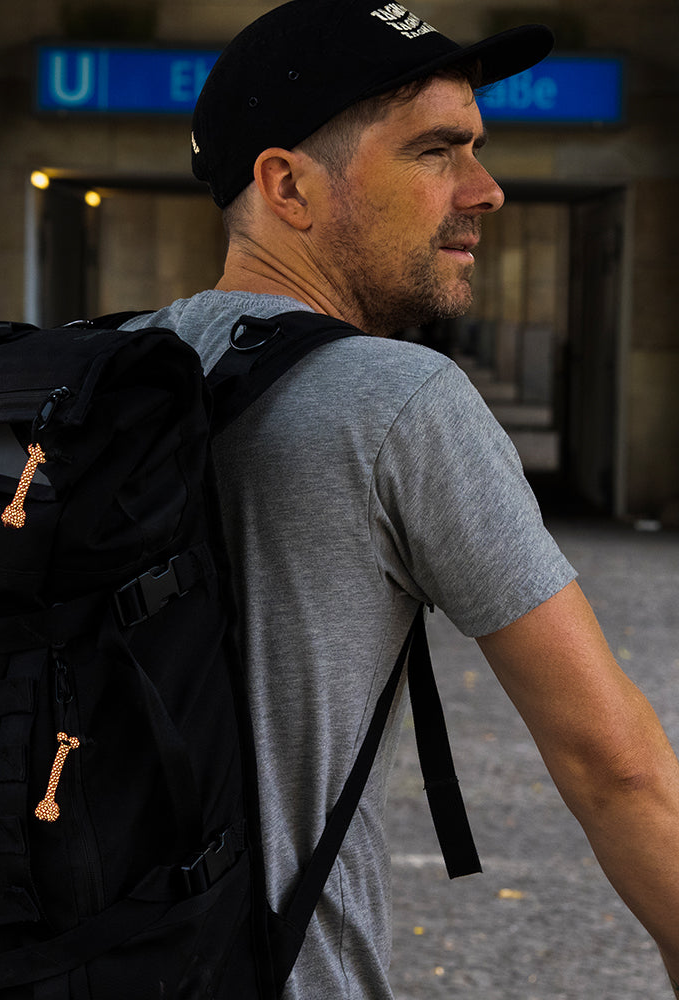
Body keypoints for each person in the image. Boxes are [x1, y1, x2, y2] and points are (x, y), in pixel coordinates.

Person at [121, 1, 679, 997]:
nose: (486, 188)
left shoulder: (109, 372)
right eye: (435, 151)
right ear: (286, 185)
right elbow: (618, 768)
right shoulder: (401, 401)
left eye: (476, 147)